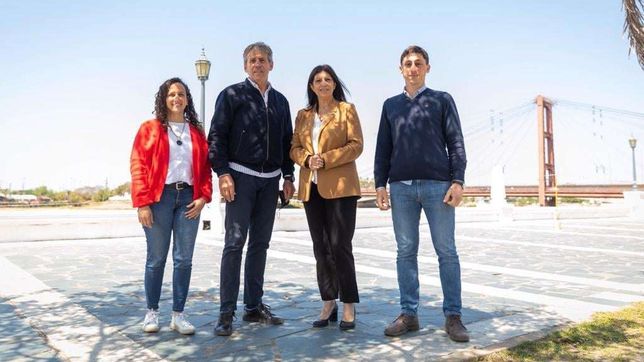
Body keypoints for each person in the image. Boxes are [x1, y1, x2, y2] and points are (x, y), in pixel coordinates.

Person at [374, 45, 469, 342]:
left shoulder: (442, 100)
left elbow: (455, 142)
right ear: (400, 69)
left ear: (427, 67)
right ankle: (409, 314)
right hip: (400, 188)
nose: (413, 68)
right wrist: (380, 184)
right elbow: (383, 149)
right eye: (407, 64)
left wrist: (457, 181)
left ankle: (453, 317)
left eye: (418, 63)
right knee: (405, 252)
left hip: (437, 186)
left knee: (447, 251)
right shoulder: (390, 105)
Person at [208, 42, 295, 337]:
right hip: (240, 177)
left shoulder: (281, 101)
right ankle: (226, 312)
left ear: (272, 64)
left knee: (260, 245)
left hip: (270, 182)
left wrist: (288, 175)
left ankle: (253, 307)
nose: (257, 64)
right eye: (251, 60)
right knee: (234, 244)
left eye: (262, 60)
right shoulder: (231, 95)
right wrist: (222, 173)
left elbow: (286, 141)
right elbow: (217, 136)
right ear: (245, 65)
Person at [130, 77, 213, 335]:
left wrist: (203, 197)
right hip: (159, 200)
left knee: (183, 260)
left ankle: (178, 315)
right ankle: (151, 313)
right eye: (171, 94)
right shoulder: (150, 128)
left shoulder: (197, 132)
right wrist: (142, 203)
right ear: (164, 99)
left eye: (181, 94)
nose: (176, 98)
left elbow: (205, 169)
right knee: (156, 259)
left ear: (187, 99)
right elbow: (138, 166)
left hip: (188, 199)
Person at [290, 65, 363, 331]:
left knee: (340, 245)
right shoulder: (303, 115)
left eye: (328, 79)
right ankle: (328, 301)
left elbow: (356, 145)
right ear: (311, 86)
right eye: (317, 80)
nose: (323, 83)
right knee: (320, 247)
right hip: (311, 188)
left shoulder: (347, 110)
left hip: (342, 187)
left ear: (334, 84)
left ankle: (348, 304)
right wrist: (308, 159)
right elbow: (294, 147)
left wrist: (326, 160)